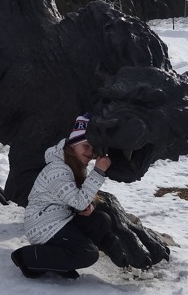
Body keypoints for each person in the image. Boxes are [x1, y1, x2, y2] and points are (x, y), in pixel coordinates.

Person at [11, 113, 130, 279]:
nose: (90, 153)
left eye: (94, 149)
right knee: (88, 254)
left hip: (60, 220)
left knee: (101, 220)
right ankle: (27, 257)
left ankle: (62, 262)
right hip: (43, 225)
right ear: (73, 144)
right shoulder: (58, 170)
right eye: (86, 146)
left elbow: (74, 200)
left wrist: (86, 209)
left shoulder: (72, 166)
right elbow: (79, 201)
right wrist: (98, 172)